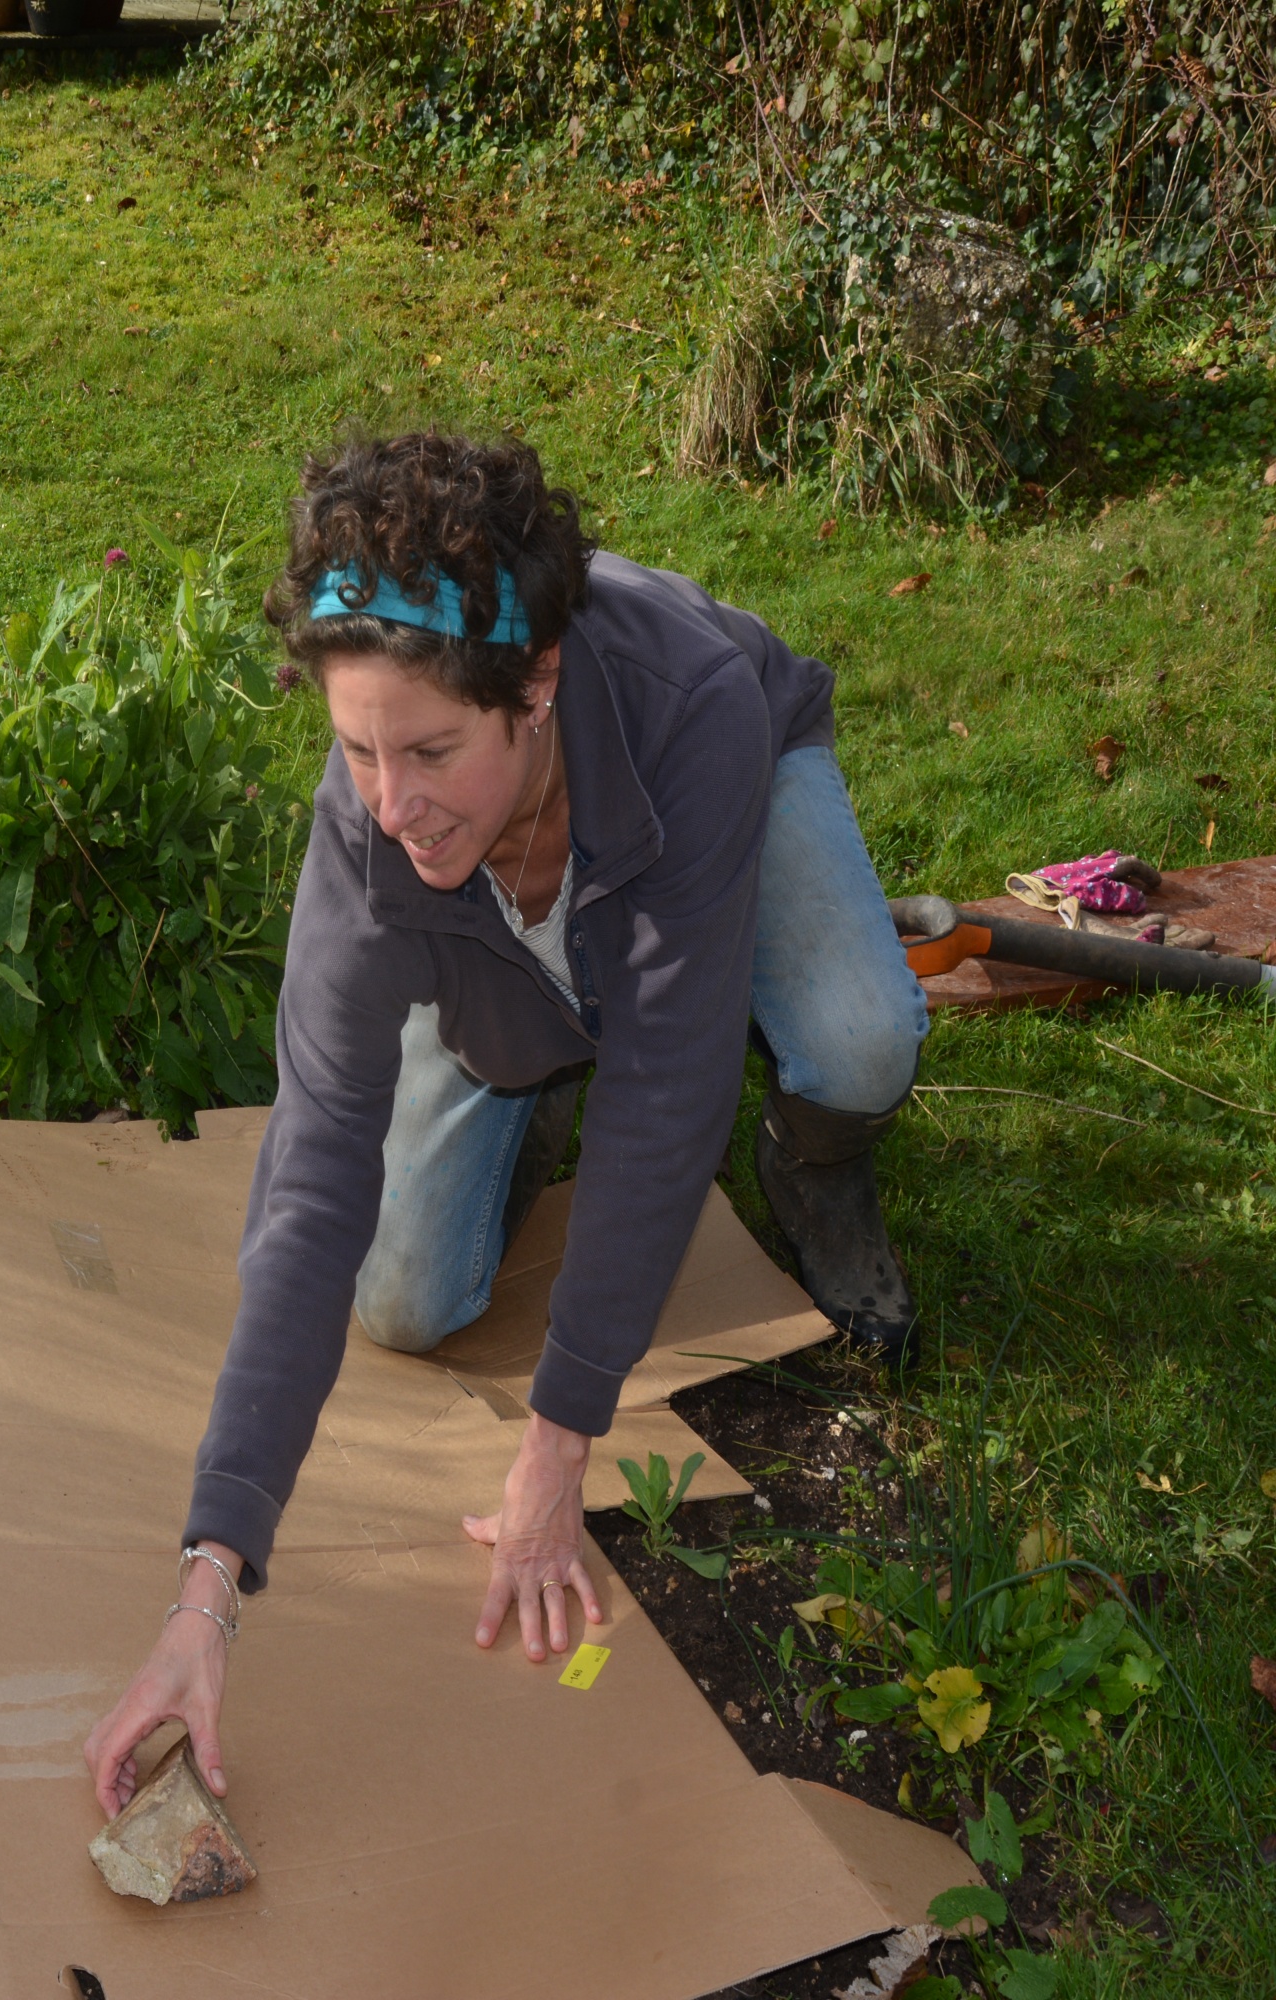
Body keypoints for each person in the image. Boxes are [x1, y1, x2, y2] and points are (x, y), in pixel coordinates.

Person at [83, 431, 930, 1817]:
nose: (389, 801)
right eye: (355, 749)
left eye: (426, 749)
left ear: (533, 688)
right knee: (405, 1296)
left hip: (720, 794)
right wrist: (207, 1592)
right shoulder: (373, 835)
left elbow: (667, 1101)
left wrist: (557, 1445)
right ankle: (532, 1059)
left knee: (855, 1037)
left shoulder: (691, 706)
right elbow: (308, 1186)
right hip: (513, 920)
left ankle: (817, 1161)